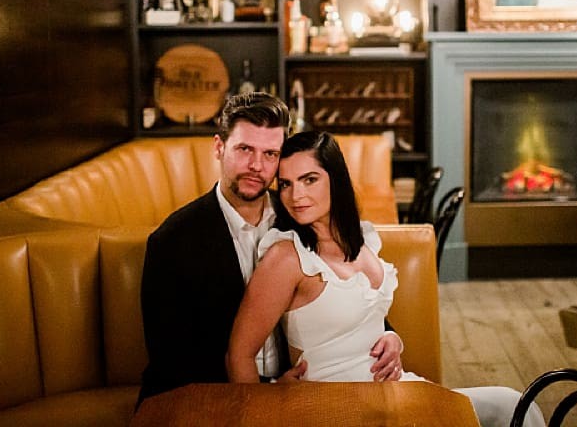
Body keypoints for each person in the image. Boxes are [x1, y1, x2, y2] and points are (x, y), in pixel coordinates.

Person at [227, 131, 545, 427]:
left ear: (335, 180)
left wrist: (392, 337)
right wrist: (266, 404)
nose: (296, 195)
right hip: (334, 408)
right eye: (285, 184)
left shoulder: (363, 239)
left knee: (517, 405)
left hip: (392, 393)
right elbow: (239, 353)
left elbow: (358, 312)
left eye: (310, 179)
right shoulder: (286, 257)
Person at [138, 94, 404, 404]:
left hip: (302, 391)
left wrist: (388, 335)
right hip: (204, 398)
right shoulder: (172, 241)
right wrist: (265, 389)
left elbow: (347, 291)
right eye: (244, 149)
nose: (256, 165)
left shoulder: (300, 212)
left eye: (270, 154)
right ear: (218, 147)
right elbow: (172, 359)